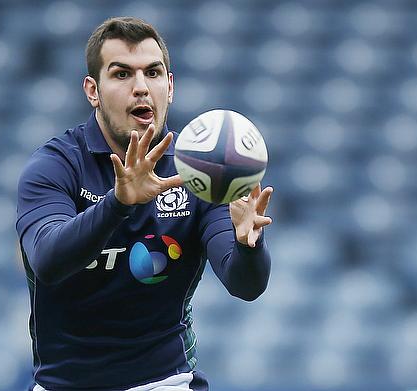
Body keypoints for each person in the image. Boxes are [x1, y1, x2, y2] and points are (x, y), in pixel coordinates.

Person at [16, 16, 273, 391]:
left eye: (152, 73)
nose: (141, 88)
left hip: (164, 382)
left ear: (170, 87)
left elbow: (245, 285)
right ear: (93, 90)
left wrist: (248, 244)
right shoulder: (56, 165)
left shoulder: (200, 171)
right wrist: (118, 203)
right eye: (122, 75)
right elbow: (48, 262)